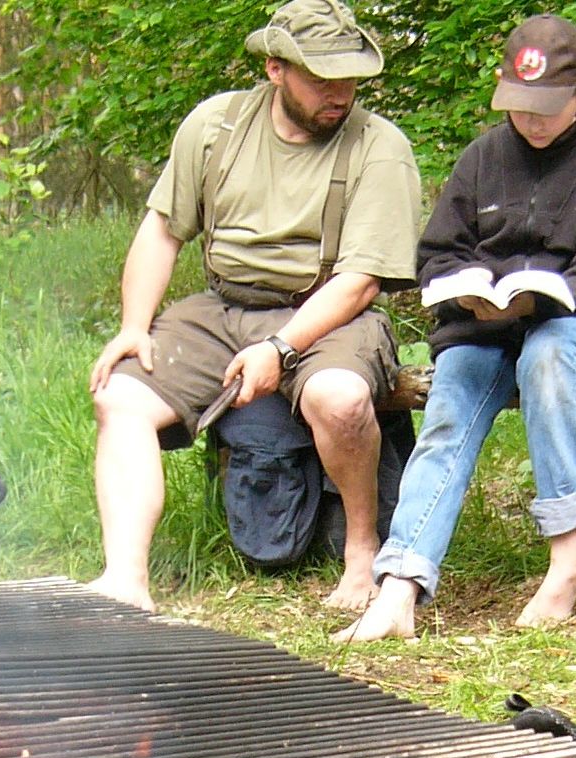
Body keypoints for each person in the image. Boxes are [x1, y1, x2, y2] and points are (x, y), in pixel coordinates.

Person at [85, 0, 422, 613]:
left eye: (349, 77)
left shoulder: (379, 147)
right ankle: (125, 580)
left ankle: (362, 551)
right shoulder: (215, 127)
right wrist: (134, 326)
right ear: (274, 69)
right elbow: (162, 231)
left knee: (339, 399)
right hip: (224, 308)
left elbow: (361, 281)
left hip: (331, 312)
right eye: (321, 77)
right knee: (120, 398)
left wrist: (280, 348)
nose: (339, 92)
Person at [336, 14, 576, 643]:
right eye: (519, 106)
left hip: (574, 324)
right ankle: (399, 587)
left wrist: (539, 303)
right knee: (450, 402)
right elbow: (438, 254)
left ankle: (566, 561)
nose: (530, 121)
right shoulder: (481, 157)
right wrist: (469, 296)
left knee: (547, 361)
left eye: (546, 109)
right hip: (480, 328)